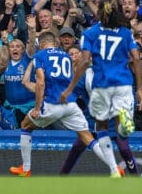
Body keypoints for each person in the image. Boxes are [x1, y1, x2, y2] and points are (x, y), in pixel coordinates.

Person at [9, 32, 122, 177]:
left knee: (25, 125)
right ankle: (115, 169)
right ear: (54, 43)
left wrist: (37, 108)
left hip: (52, 103)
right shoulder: (66, 56)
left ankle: (25, 169)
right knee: (87, 137)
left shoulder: (40, 55)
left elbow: (41, 83)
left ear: (41, 44)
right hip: (70, 104)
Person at [60, 0, 142, 176]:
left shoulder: (90, 33)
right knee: (122, 142)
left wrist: (68, 89)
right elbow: (136, 59)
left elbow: (83, 62)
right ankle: (136, 180)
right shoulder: (125, 33)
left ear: (98, 14)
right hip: (123, 86)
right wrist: (139, 89)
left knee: (96, 133)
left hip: (102, 87)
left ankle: (112, 169)